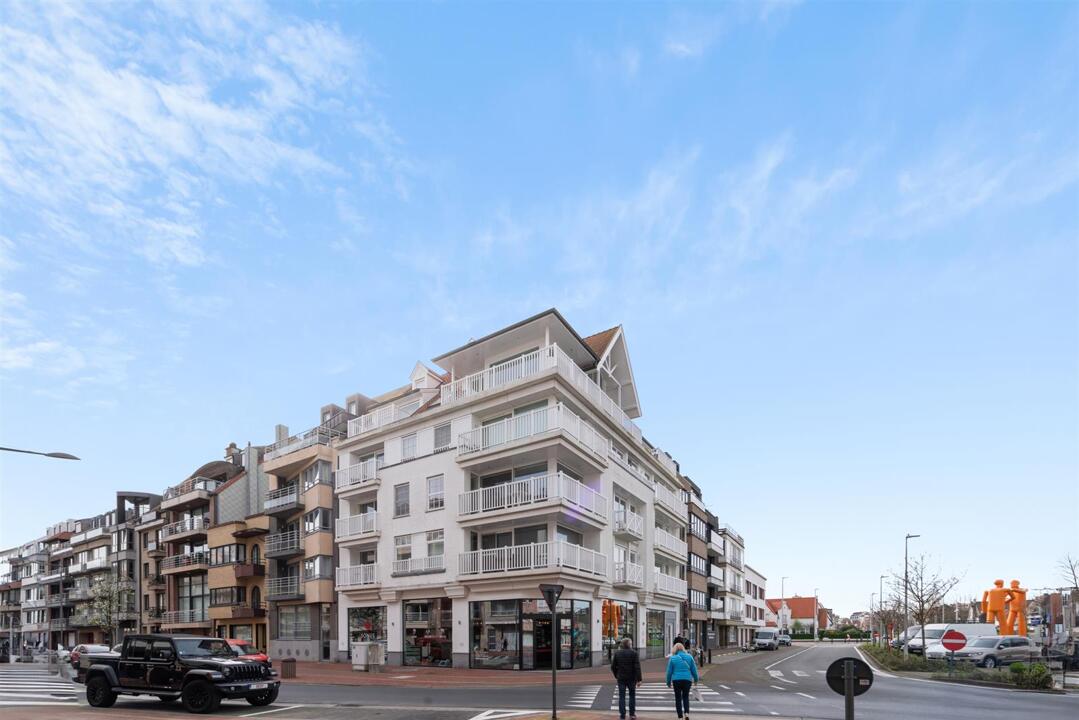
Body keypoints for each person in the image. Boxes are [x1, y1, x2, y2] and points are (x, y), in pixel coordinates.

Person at [666, 641, 699, 719]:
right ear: (683, 648)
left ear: (675, 649)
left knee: (678, 698)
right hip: (687, 680)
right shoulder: (689, 657)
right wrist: (696, 679)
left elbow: (669, 672)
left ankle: (680, 716)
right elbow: (694, 670)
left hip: (676, 680)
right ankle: (686, 713)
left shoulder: (672, 658)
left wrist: (668, 682)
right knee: (685, 697)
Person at [610, 637, 641, 720]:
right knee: (632, 696)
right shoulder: (634, 653)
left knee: (622, 696)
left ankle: (622, 715)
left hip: (621, 678)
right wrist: (639, 679)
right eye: (631, 643)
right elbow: (637, 667)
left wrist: (616, 675)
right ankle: (632, 714)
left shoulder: (617, 653)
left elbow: (613, 666)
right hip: (632, 678)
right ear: (629, 644)